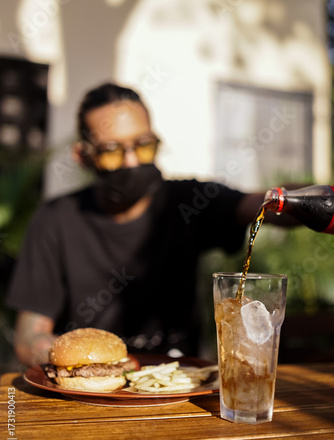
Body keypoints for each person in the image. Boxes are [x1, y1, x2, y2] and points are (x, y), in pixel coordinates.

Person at [6, 82, 296, 367]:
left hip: (180, 386)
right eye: (111, 151)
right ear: (83, 156)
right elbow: (30, 336)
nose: (132, 161)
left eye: (143, 146)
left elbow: (266, 204)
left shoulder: (188, 202)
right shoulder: (55, 220)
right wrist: (79, 363)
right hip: (90, 394)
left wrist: (316, 203)